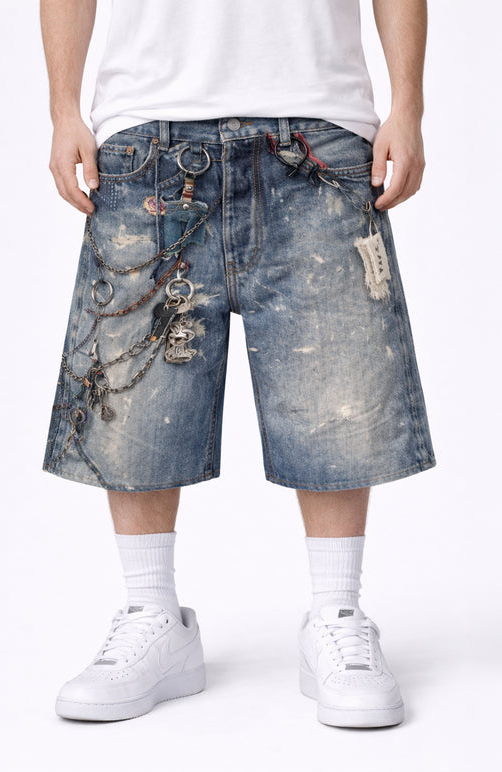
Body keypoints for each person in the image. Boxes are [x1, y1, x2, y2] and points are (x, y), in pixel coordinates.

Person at [40, 0, 435, 728]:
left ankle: (336, 612)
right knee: (136, 399)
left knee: (335, 390)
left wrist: (406, 104)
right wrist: (64, 108)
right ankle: (151, 611)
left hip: (319, 121)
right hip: (148, 121)